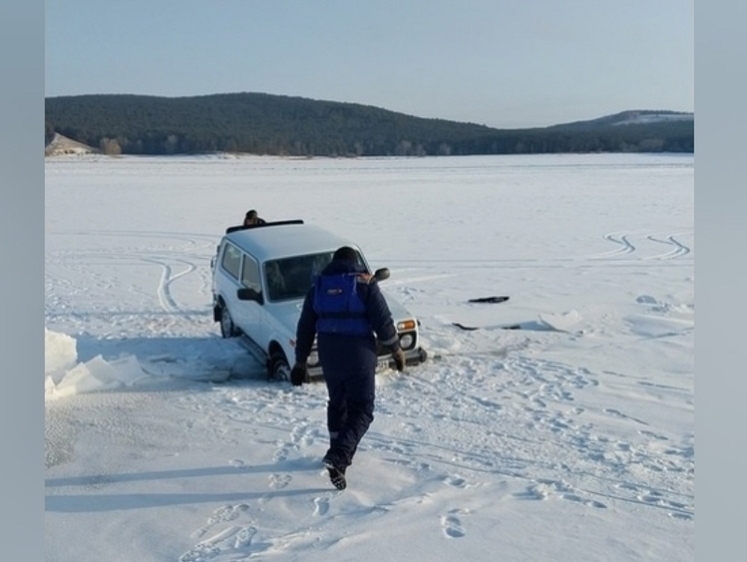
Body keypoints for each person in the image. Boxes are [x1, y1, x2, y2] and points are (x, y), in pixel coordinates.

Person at [291, 246, 406, 490]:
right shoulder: (365, 283)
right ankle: (339, 455)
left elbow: (305, 327)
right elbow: (383, 321)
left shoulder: (318, 286)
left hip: (329, 354)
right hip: (359, 353)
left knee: (338, 402)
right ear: (355, 263)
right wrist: (396, 350)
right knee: (363, 409)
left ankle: (337, 451)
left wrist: (300, 361)